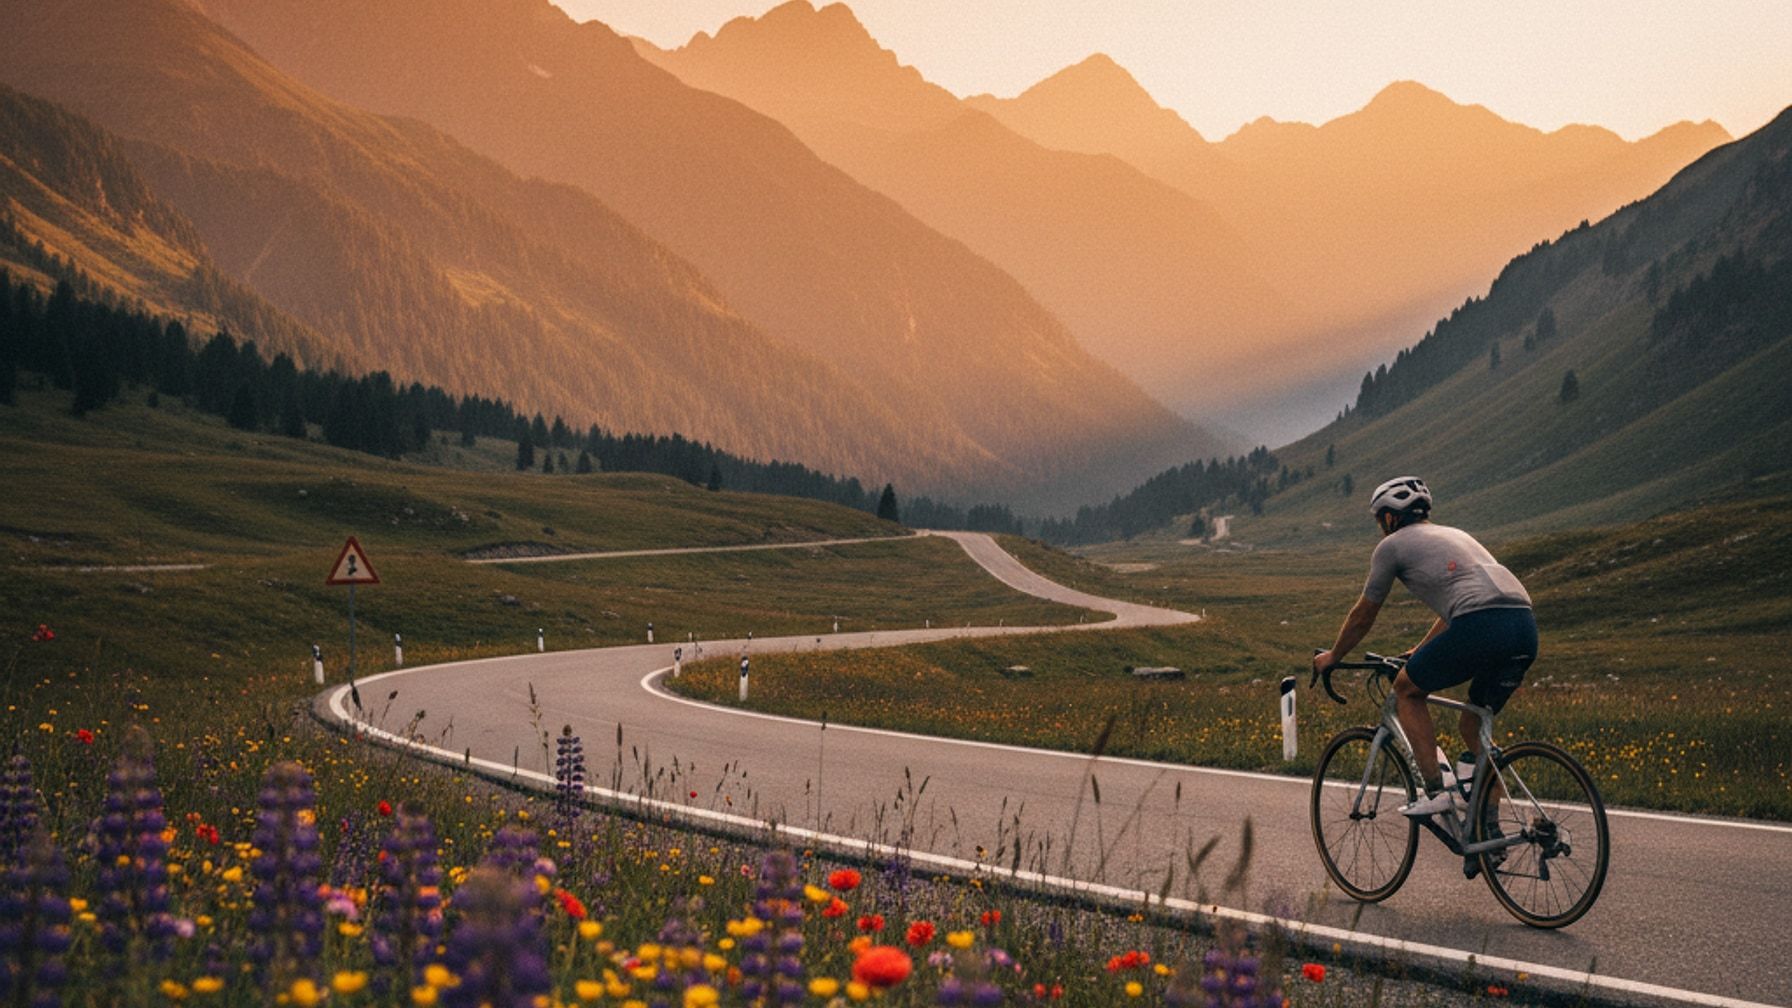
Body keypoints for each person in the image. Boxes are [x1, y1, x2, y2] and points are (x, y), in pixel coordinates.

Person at [1312, 476, 1537, 834]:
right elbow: (1459, 607)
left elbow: (1363, 614)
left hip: (1480, 624)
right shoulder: (1457, 535)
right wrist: (1420, 650)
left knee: (1407, 690)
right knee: (1473, 726)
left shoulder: (1392, 546)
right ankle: (1489, 833)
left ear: (1389, 519)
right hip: (1523, 626)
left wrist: (1334, 655)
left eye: (1378, 521)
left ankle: (1437, 791)